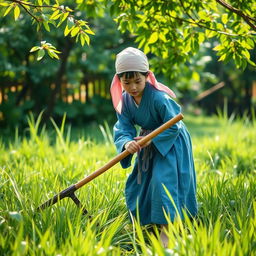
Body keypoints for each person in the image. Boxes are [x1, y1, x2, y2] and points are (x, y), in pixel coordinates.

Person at [110, 47, 197, 247]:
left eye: (137, 81)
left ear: (147, 76)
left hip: (170, 142)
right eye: (126, 82)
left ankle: (168, 230)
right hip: (145, 143)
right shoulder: (125, 100)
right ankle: (142, 221)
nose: (132, 87)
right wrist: (126, 142)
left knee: (163, 182)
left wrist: (151, 139)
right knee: (137, 182)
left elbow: (174, 123)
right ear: (119, 81)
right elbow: (122, 127)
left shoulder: (159, 98)